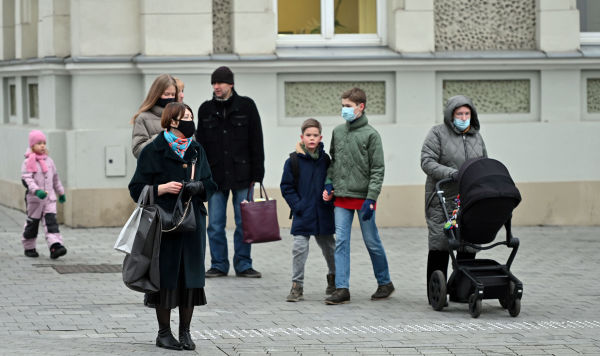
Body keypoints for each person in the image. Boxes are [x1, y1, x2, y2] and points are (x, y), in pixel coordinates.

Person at [128, 102, 217, 351]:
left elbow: (211, 184)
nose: (190, 121)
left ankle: (185, 333)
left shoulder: (197, 149)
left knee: (191, 277)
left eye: (191, 116)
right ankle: (164, 333)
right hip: (164, 223)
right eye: (185, 117)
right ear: (172, 122)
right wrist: (162, 189)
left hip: (192, 223)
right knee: (166, 275)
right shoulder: (153, 150)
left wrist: (197, 187)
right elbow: (136, 189)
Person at [322, 87, 395, 305]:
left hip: (364, 200)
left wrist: (371, 199)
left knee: (372, 241)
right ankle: (342, 288)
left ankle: (385, 282)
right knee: (342, 241)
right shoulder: (338, 132)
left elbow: (378, 169)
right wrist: (328, 182)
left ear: (360, 107)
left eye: (348, 106)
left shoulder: (371, 135)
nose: (344, 110)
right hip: (342, 198)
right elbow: (334, 162)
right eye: (342, 106)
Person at [195, 66, 265, 278]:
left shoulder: (247, 106)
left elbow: (256, 141)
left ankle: (244, 264)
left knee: (244, 222)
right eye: (214, 83)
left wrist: (258, 175)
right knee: (215, 224)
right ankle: (218, 264)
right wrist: (201, 175)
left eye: (220, 83)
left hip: (243, 175)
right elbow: (201, 146)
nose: (216, 87)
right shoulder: (205, 109)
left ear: (231, 84)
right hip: (215, 176)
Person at [420, 95, 487, 304]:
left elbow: (483, 162)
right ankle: (436, 292)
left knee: (468, 243)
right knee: (440, 243)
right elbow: (426, 161)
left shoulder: (476, 136)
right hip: (441, 197)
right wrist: (452, 173)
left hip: (468, 197)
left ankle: (461, 290)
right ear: (451, 115)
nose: (463, 117)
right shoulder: (437, 133)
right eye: (459, 114)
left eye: (467, 114)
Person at [280, 118, 336, 302]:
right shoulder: (293, 161)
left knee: (330, 248)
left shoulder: (325, 160)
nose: (311, 138)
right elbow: (286, 187)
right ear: (301, 137)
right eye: (308, 135)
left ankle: (333, 279)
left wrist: (330, 193)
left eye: (315, 135)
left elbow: (331, 180)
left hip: (323, 213)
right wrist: (298, 205)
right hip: (303, 214)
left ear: (320, 137)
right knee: (299, 248)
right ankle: (297, 286)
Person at [20, 130, 67, 259]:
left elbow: (55, 178)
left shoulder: (49, 161)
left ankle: (55, 246)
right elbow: (26, 179)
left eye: (44, 143)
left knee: (51, 223)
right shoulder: (28, 162)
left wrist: (61, 192)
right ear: (32, 146)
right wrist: (37, 190)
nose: (42, 146)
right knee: (32, 224)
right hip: (34, 200)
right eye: (39, 143)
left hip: (49, 200)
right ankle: (29, 247)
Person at [131, 74, 179, 158]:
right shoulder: (143, 118)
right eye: (166, 94)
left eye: (173, 94)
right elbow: (138, 151)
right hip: (155, 169)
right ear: (157, 94)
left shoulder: (181, 115)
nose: (170, 98)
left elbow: (192, 147)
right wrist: (161, 137)